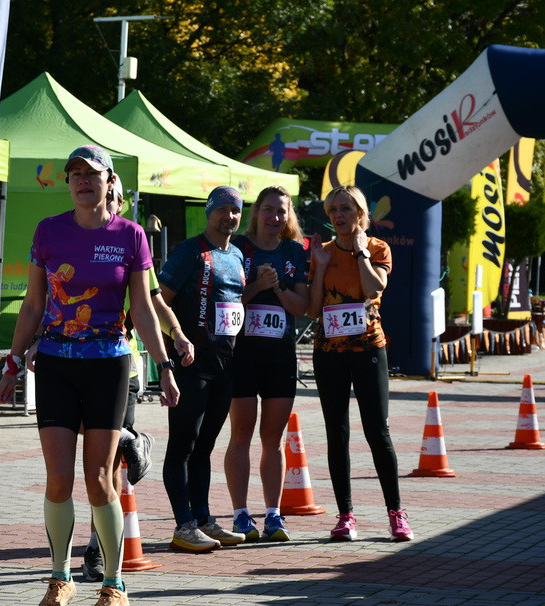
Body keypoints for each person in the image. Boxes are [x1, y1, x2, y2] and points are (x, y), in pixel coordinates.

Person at [0, 145, 179, 606]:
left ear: (108, 181)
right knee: (58, 479)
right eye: (73, 174)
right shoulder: (49, 231)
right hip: (55, 362)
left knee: (99, 479)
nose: (81, 181)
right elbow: (33, 305)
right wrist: (12, 363)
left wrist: (165, 367)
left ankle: (114, 586)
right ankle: (59, 580)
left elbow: (141, 308)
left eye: (90, 174)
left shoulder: (130, 235)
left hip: (110, 364)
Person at [76, 174, 194, 581]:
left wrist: (177, 336)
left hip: (120, 363)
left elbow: (153, 301)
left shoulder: (130, 243)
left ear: (120, 200)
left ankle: (94, 551)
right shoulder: (75, 239)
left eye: (114, 196)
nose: (108, 200)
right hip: (72, 359)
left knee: (103, 465)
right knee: (83, 435)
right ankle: (134, 440)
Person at [306, 185, 414, 542]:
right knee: (337, 434)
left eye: (346, 209)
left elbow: (372, 289)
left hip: (369, 348)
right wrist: (320, 268)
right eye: (334, 210)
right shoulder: (320, 252)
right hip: (329, 353)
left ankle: (396, 514)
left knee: (377, 431)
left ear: (360, 214)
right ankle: (345, 515)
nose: (338, 216)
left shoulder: (378, 248)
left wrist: (362, 253)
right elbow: (313, 307)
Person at [159, 186, 248, 553]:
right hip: (190, 364)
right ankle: (183, 525)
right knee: (183, 444)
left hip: (225, 363)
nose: (229, 216)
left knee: (205, 446)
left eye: (236, 211)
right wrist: (176, 340)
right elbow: (159, 298)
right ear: (209, 212)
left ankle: (204, 519)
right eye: (223, 209)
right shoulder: (189, 251)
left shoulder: (238, 254)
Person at [224, 186, 309, 542]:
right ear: (256, 212)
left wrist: (276, 289)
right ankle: (241, 515)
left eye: (282, 212)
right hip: (241, 353)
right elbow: (228, 300)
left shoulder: (294, 251)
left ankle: (274, 515)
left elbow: (300, 307)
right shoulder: (239, 248)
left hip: (279, 355)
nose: (275, 218)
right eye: (269, 210)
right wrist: (257, 286)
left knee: (272, 439)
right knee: (241, 432)